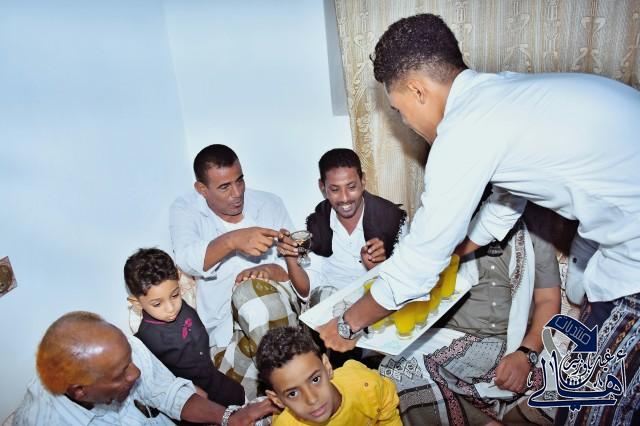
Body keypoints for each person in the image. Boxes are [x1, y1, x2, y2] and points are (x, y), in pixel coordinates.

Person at [317, 13, 640, 424]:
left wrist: (346, 325)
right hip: (621, 249)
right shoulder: (499, 96)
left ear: (417, 90)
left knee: (592, 409)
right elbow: (507, 201)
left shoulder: (464, 130)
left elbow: (416, 268)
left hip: (632, 263)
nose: (405, 123)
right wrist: (456, 253)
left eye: (398, 110)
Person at [379, 205, 561, 425]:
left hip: (514, 345)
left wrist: (526, 355)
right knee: (398, 367)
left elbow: (548, 300)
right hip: (451, 343)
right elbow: (411, 278)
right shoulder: (444, 214)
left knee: (569, 391)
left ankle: (483, 413)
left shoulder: (535, 223)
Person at [170, 144, 298, 399]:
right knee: (243, 397)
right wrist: (232, 240)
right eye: (224, 187)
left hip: (281, 312)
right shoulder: (186, 209)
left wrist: (273, 268)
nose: (237, 193)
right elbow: (186, 259)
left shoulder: (270, 203)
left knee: (258, 301)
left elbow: (299, 261)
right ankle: (289, 387)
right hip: (226, 329)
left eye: (240, 181)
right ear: (202, 189)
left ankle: (292, 387)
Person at [13, 311, 274, 425]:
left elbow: (168, 393)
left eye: (130, 361)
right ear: (80, 391)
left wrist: (229, 418)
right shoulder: (43, 421)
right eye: (121, 374)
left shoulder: (123, 349)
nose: (135, 373)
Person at [277, 148, 407, 300]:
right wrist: (290, 257)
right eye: (335, 189)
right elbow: (306, 290)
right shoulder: (317, 223)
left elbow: (408, 284)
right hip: (328, 301)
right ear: (322, 187)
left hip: (375, 302)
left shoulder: (393, 220)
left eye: (351, 187)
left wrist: (377, 268)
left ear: (363, 181)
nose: (344, 198)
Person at [124, 247, 245, 408]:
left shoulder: (182, 307)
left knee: (241, 396)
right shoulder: (146, 340)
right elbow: (158, 382)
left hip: (213, 376)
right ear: (137, 303)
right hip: (193, 396)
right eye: (157, 304)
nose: (171, 308)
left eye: (175, 295)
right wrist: (187, 391)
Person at [255, 326, 401, 425]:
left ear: (327, 366)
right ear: (277, 400)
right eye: (292, 393)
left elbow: (388, 413)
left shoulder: (365, 384)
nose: (312, 399)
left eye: (315, 379)